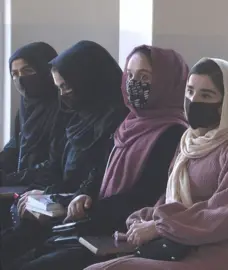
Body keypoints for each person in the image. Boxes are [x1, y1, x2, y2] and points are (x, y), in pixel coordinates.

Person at [6, 45, 190, 270]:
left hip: (118, 235)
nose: (134, 83)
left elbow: (144, 196)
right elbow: (99, 172)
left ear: (166, 81)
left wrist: (77, 206)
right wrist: (84, 195)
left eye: (144, 77)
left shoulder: (173, 133)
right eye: (130, 75)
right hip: (90, 224)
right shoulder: (130, 123)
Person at [84, 58, 228, 270]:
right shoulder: (190, 141)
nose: (194, 100)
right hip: (175, 248)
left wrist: (159, 227)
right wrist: (142, 220)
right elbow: (170, 199)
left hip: (214, 256)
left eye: (206, 95)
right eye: (190, 91)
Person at [0, 40, 128, 269]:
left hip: (87, 226)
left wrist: (52, 199)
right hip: (53, 212)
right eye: (59, 87)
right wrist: (45, 197)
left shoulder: (119, 125)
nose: (63, 95)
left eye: (67, 86)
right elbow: (56, 166)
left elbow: (96, 183)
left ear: (88, 80)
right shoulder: (78, 119)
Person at [0, 42, 69, 229]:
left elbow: (55, 165)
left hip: (45, 198)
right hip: (22, 190)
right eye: (14, 74)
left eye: (28, 71)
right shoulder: (25, 107)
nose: (20, 79)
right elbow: (15, 146)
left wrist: (9, 179)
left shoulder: (64, 108)